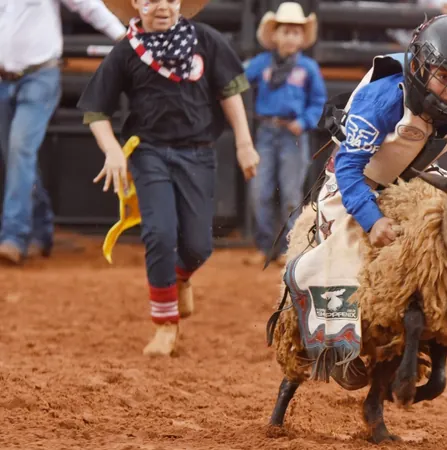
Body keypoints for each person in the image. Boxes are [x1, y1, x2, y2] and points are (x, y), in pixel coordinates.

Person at [277, 14, 447, 385]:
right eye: (446, 77)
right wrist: (371, 219)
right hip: (356, 180)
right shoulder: (382, 99)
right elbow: (348, 167)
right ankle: (335, 345)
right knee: (341, 246)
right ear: (420, 66)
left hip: (410, 180)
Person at [76, 0, 260, 357]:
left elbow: (230, 92)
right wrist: (113, 150)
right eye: (151, 0)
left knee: (198, 246)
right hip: (149, 152)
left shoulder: (205, 40)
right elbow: (96, 110)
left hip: (199, 152)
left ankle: (180, 276)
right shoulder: (126, 50)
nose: (162, 7)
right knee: (158, 232)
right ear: (136, 5)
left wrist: (244, 143)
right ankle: (165, 323)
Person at [0, 0, 127, 265]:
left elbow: (87, 4)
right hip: (4, 77)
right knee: (17, 156)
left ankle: (13, 236)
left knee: (19, 149)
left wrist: (122, 37)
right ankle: (41, 228)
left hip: (39, 75)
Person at [244, 1, 327, 267]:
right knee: (260, 192)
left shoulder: (308, 69)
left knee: (291, 194)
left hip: (293, 135)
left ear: (302, 37)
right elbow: (240, 77)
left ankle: (289, 248)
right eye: (285, 31)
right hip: (266, 133)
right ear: (275, 35)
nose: (290, 37)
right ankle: (265, 245)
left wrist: (303, 122)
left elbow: (317, 102)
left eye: (295, 32)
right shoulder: (261, 64)